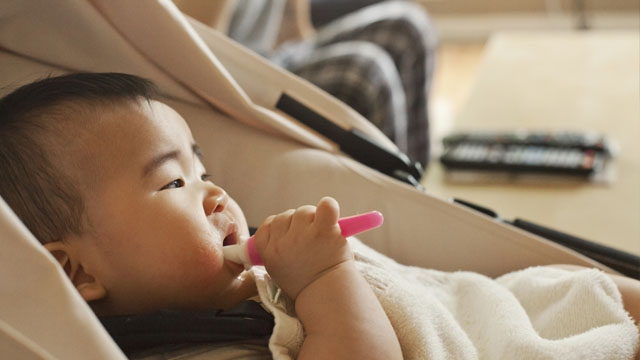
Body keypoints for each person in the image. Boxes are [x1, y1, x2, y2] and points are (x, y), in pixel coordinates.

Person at [0, 73, 638, 359]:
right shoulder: (194, 352)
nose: (216, 195)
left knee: (594, 290)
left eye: (205, 171)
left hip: (482, 311)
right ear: (75, 272)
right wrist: (324, 278)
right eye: (173, 181)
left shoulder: (245, 286)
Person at [174, 0, 437, 168]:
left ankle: (416, 180)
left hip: (277, 57)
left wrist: (321, 61)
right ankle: (399, 199)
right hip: (237, 80)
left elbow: (294, 28)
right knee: (365, 72)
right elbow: (201, 66)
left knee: (407, 28)